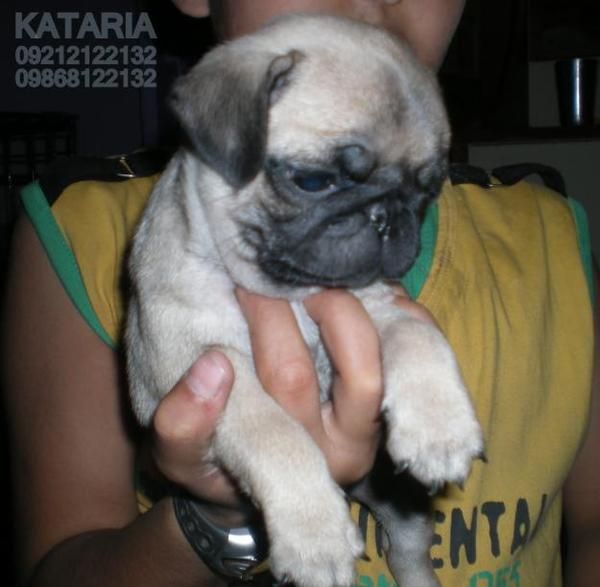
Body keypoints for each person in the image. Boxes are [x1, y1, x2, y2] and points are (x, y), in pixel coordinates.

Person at [2, 0, 599, 585]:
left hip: (395, 490)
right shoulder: (84, 237)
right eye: (313, 179)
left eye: (416, 191)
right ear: (226, 129)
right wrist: (221, 517)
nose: (381, 226)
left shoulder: (552, 236)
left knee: (410, 517)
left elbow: (391, 314)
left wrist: (422, 373)